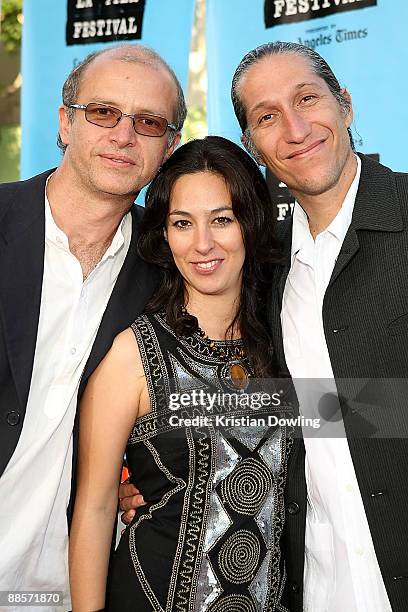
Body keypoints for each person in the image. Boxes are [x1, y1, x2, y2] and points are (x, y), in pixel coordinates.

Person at [69, 136, 293, 611]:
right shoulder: (134, 354)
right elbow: (93, 510)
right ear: (164, 235)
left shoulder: (283, 344)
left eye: (222, 220)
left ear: (251, 225)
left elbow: (358, 425)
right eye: (183, 224)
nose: (203, 244)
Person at [0, 43, 185, 611]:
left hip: (64, 589)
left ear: (170, 146)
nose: (124, 135)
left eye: (149, 122)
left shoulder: (169, 277)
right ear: (64, 122)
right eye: (104, 112)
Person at [230, 41, 408, 612]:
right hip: (320, 582)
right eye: (267, 116)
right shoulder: (264, 265)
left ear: (346, 105)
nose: (296, 127)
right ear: (250, 145)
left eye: (308, 98)